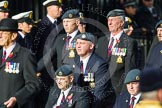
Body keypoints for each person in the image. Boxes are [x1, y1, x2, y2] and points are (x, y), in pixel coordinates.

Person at [95, 9, 138, 95]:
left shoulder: (129, 42)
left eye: (113, 20)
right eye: (108, 20)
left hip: (117, 90)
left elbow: (129, 69)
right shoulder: (101, 41)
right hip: (100, 89)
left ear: (121, 23)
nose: (109, 23)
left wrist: (124, 92)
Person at [0, 18, 40, 108]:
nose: (0, 35)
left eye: (3, 33)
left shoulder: (25, 55)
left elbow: (33, 84)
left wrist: (17, 98)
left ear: (13, 36)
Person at [72, 32, 116, 108]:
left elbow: (99, 93)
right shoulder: (74, 61)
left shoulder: (100, 64)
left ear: (91, 46)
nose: (78, 46)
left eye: (82, 43)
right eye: (77, 43)